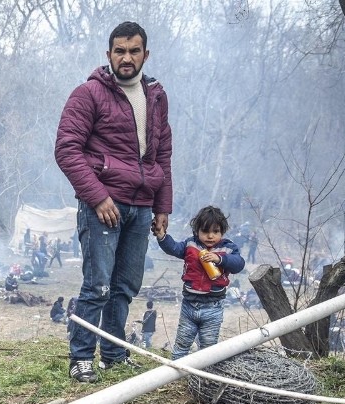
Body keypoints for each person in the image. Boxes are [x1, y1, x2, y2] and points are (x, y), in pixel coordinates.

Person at [55, 21, 173, 383]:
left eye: (133, 50)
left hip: (141, 208)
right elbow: (66, 150)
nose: (126, 57)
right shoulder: (88, 94)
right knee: (98, 286)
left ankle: (114, 355)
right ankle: (81, 358)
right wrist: (98, 197)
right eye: (119, 51)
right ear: (108, 55)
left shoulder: (155, 96)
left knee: (125, 287)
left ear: (145, 54)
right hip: (103, 207)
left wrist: (162, 207)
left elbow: (162, 155)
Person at [154, 206, 244, 359]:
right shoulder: (191, 244)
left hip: (213, 307)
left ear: (222, 232)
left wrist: (219, 259)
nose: (210, 236)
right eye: (205, 231)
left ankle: (204, 376)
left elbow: (239, 264)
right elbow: (174, 248)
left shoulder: (227, 248)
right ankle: (176, 371)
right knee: (182, 344)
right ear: (197, 231)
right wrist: (162, 236)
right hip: (189, 305)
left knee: (208, 348)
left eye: (215, 232)